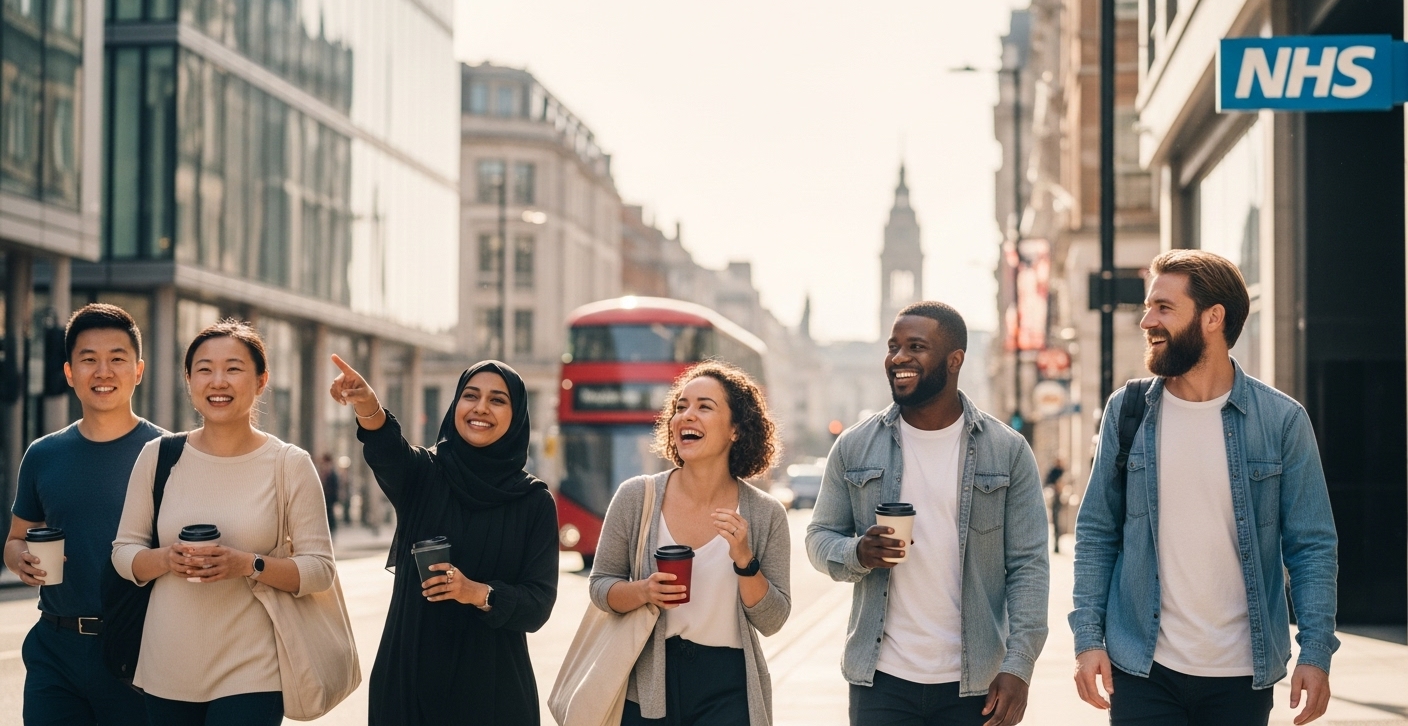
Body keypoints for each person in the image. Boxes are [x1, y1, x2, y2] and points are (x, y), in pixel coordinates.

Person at [1070, 250, 1339, 726]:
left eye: (1164, 308)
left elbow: (1312, 545)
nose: (1146, 320)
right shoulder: (1128, 411)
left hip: (1241, 674)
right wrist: (1088, 640)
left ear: (1214, 318)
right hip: (1142, 668)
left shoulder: (1281, 421)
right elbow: (1096, 533)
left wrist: (1316, 652)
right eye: (1148, 306)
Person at [807, 301, 1049, 726]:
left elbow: (1028, 566)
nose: (899, 357)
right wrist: (858, 553)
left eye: (915, 346)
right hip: (880, 681)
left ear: (954, 360)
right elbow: (819, 536)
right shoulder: (854, 446)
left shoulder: (1006, 451)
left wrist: (1019, 666)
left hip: (975, 683)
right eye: (894, 346)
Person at [112, 320, 336, 725]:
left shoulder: (290, 464)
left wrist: (249, 564)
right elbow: (123, 553)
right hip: (167, 668)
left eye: (233, 368)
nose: (218, 381)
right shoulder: (157, 456)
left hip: (254, 670)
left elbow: (320, 571)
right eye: (204, 369)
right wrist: (166, 560)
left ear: (261, 380)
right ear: (189, 379)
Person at [328, 355, 558, 725]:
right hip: (409, 682)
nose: (480, 407)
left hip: (493, 692)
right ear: (455, 405)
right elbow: (387, 450)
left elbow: (538, 604)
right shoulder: (423, 475)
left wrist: (477, 592)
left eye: (498, 400)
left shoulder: (534, 502)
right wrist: (367, 404)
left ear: (516, 416)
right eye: (470, 395)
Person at [591, 361, 791, 726]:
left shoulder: (766, 514)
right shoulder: (636, 497)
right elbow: (600, 587)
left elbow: (773, 620)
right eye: (680, 407)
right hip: (648, 678)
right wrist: (643, 591)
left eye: (704, 407)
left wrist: (744, 559)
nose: (687, 416)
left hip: (728, 687)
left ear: (735, 429)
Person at [4, 304, 164, 725]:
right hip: (54, 652)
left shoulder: (169, 455)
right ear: (70, 372)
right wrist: (19, 557)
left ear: (138, 370)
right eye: (88, 360)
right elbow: (15, 538)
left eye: (117, 359)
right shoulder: (43, 454)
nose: (103, 371)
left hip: (139, 652)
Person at [1044, 459, 1067, 554]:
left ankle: (1058, 543)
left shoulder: (1063, 471)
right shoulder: (1053, 472)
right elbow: (1047, 483)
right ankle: (1056, 545)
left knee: (1060, 523)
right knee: (1056, 522)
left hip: (1063, 499)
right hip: (1055, 500)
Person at [319, 453, 341, 537]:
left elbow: (335, 487)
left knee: (330, 516)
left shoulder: (333, 475)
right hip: (322, 499)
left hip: (330, 499)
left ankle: (331, 533)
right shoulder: (321, 473)